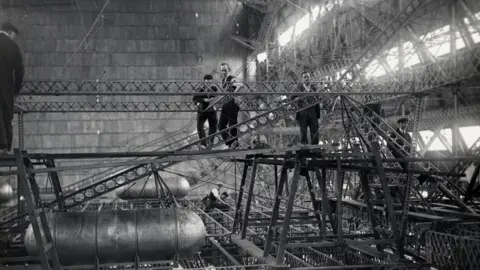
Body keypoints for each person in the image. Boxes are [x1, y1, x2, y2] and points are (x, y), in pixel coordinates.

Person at [0, 22, 24, 155]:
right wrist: (16, 90)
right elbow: (20, 71)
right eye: (14, 36)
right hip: (7, 88)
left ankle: (1, 145)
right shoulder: (13, 46)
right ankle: (6, 147)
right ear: (9, 32)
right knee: (7, 115)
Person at [291, 71, 320, 145]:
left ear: (310, 78)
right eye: (305, 77)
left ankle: (315, 148)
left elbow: (318, 98)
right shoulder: (298, 87)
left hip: (313, 111)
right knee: (303, 131)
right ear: (302, 79)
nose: (307, 78)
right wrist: (296, 99)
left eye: (308, 77)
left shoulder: (313, 87)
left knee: (314, 130)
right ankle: (304, 147)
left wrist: (318, 114)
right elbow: (291, 98)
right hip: (302, 112)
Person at [218, 63, 242, 149]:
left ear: (229, 69)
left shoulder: (231, 79)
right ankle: (231, 142)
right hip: (225, 105)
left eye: (225, 70)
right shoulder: (223, 80)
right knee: (221, 126)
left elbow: (240, 85)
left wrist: (233, 94)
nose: (223, 72)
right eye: (222, 70)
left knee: (232, 125)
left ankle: (234, 143)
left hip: (232, 104)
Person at [193, 74, 218, 149]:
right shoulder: (199, 89)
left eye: (210, 83)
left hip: (211, 111)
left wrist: (213, 99)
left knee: (213, 127)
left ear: (212, 82)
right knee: (199, 127)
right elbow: (194, 99)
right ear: (204, 82)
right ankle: (203, 144)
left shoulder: (214, 88)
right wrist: (204, 99)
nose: (208, 84)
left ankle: (210, 143)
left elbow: (217, 97)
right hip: (202, 111)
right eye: (207, 83)